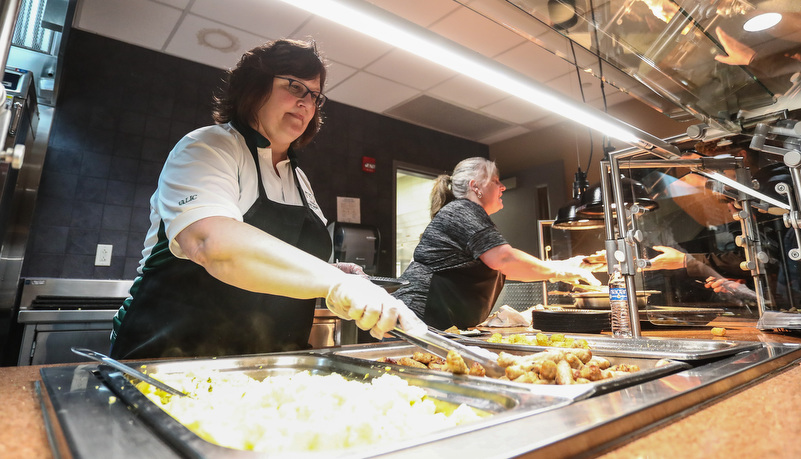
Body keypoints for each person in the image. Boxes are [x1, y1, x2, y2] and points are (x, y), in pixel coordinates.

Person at [110, 39, 418, 360]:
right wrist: (333, 284)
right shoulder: (208, 147)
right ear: (254, 87)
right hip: (172, 358)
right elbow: (211, 244)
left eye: (315, 96)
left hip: (271, 363)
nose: (306, 104)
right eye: (295, 87)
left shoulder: (298, 178)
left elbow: (286, 259)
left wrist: (335, 272)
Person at [391, 157, 600, 330]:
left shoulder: (472, 215)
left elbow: (510, 270)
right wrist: (563, 269)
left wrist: (567, 268)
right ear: (476, 187)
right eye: (496, 181)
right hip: (417, 318)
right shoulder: (462, 210)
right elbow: (504, 259)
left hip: (433, 324)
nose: (503, 187)